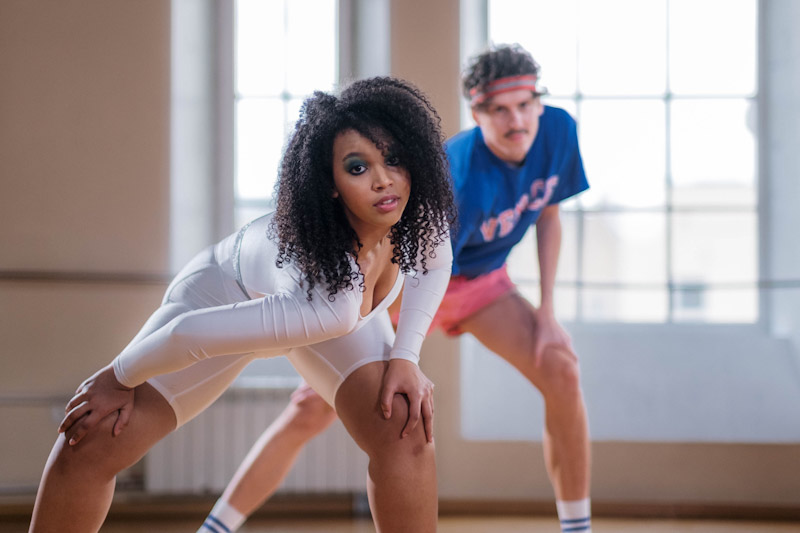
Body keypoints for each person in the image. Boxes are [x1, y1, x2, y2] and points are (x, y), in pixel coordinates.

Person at [28, 76, 456, 533]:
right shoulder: (331, 299)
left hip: (320, 313)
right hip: (225, 293)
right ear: (330, 184)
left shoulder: (415, 214)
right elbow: (187, 333)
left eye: (393, 158)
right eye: (357, 168)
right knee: (92, 438)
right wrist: (117, 376)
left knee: (405, 423)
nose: (384, 180)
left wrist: (407, 358)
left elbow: (433, 266)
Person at [200, 44, 592, 533]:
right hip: (406, 279)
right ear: (477, 112)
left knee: (561, 366)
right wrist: (396, 350)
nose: (517, 121)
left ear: (539, 102)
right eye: (499, 109)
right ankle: (217, 526)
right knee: (313, 409)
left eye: (525, 105)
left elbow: (549, 213)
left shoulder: (558, 131)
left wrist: (548, 309)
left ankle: (578, 526)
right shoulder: (456, 173)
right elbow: (409, 258)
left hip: (481, 285)